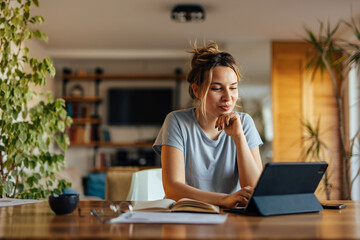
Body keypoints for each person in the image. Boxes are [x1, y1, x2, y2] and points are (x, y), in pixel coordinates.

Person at [153, 42, 263, 209]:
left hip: (231, 217)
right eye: (217, 88)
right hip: (188, 214)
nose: (228, 97)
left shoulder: (244, 122)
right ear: (197, 90)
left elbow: (255, 189)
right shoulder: (176, 121)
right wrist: (224, 199)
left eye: (233, 88)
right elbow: (172, 189)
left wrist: (239, 138)